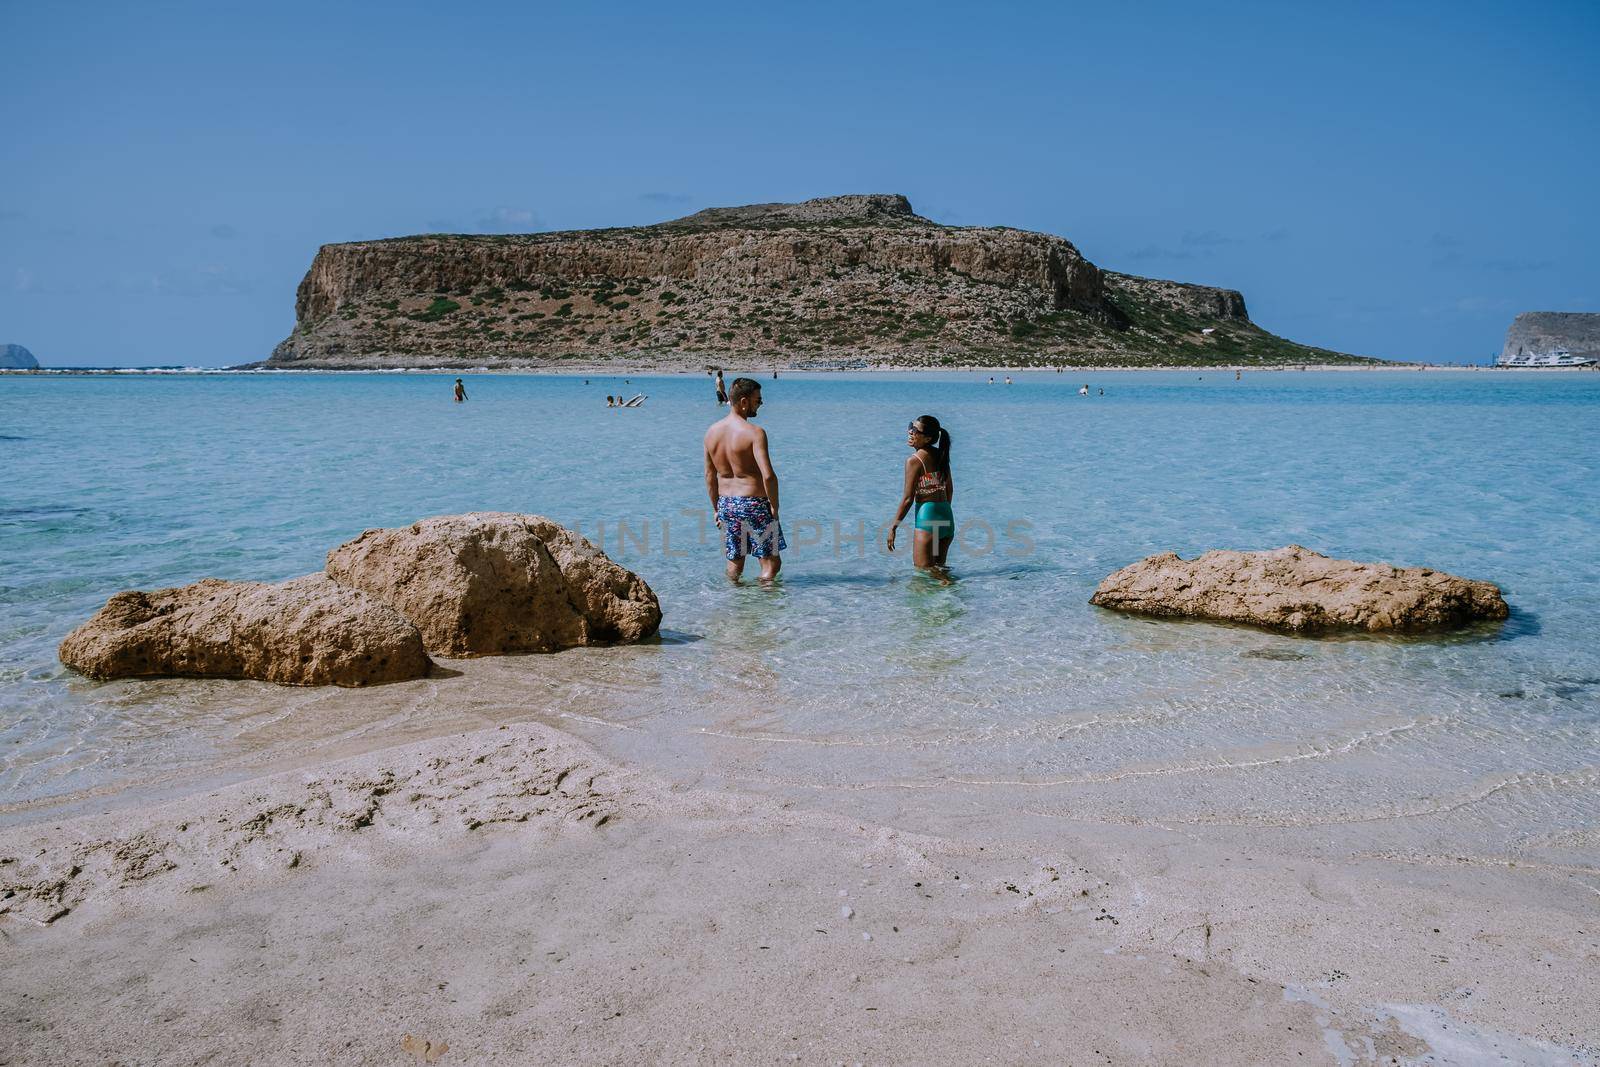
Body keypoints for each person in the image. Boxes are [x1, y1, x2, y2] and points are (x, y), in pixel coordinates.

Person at [703, 377, 783, 582]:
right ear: (744, 401)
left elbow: (710, 476)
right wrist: (774, 507)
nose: (761, 403)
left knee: (735, 562)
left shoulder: (711, 433)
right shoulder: (755, 433)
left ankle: (735, 605)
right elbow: (769, 475)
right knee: (770, 563)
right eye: (758, 400)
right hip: (754, 503)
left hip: (727, 504)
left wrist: (716, 509)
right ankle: (764, 607)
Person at [888, 415, 954, 574]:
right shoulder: (941, 455)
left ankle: (952, 590)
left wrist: (893, 527)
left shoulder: (914, 460)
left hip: (927, 517)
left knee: (924, 573)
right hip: (946, 514)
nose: (910, 431)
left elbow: (908, 498)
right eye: (911, 426)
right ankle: (951, 595)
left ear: (927, 438)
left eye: (915, 430)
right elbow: (949, 489)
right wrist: (941, 513)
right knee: (939, 570)